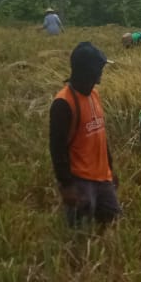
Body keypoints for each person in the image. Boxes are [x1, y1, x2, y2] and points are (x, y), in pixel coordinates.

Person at [49, 42, 120, 232]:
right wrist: (66, 184)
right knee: (80, 233)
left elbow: (100, 137)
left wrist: (110, 169)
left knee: (112, 222)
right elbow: (57, 148)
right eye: (99, 68)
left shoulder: (94, 95)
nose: (101, 73)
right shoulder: (63, 104)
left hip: (102, 177)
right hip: (80, 182)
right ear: (88, 71)